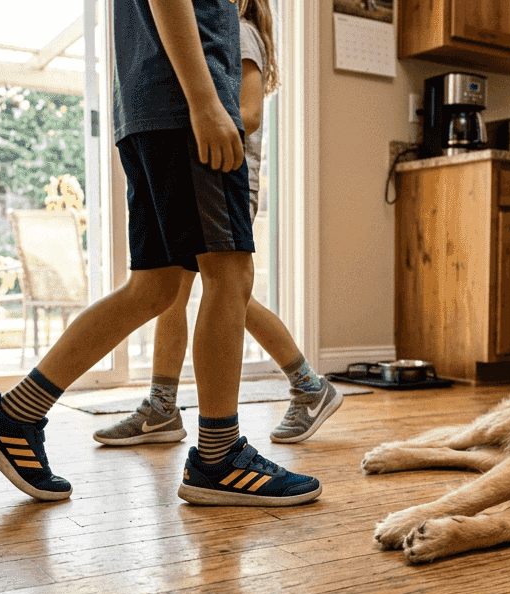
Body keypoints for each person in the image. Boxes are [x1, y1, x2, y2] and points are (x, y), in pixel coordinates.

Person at [0, 0, 321, 508]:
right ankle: (218, 458)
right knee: (229, 278)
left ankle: (15, 413)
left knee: (156, 287)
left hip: (149, 109)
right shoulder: (203, 91)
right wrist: (205, 100)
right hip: (184, 108)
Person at [93, 0, 342, 449]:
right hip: (208, 160)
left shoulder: (240, 32)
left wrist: (204, 110)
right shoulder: (224, 31)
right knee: (179, 292)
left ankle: (307, 384)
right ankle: (162, 405)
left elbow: (248, 114)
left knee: (229, 293)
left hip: (223, 166)